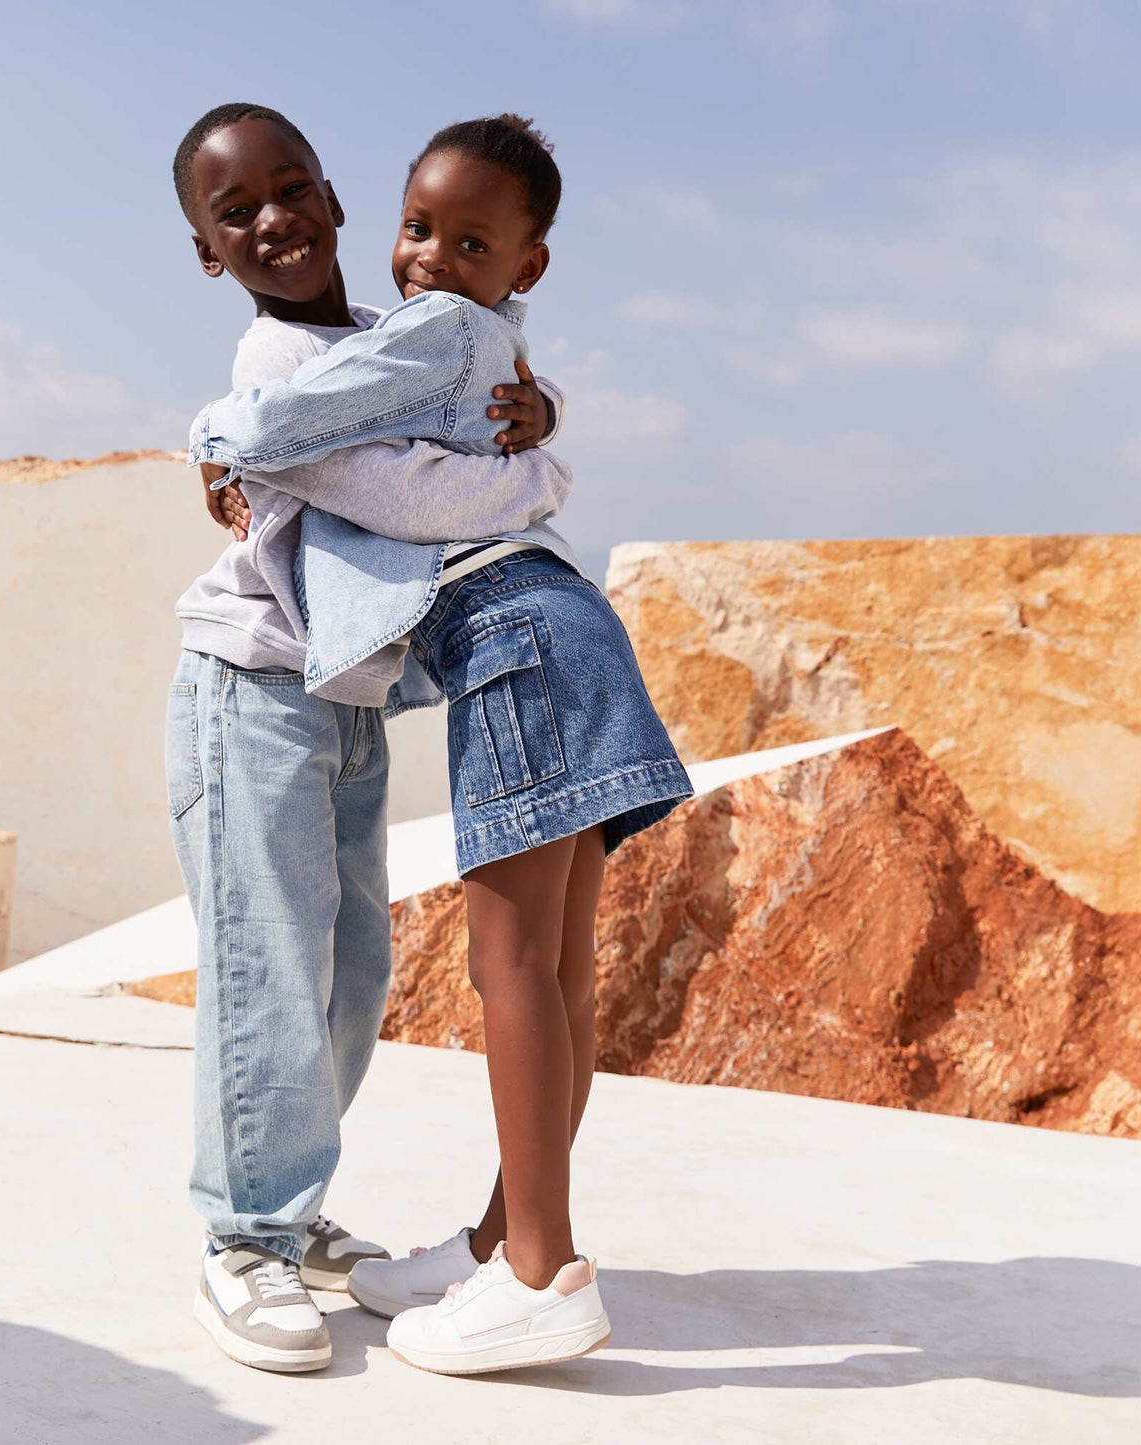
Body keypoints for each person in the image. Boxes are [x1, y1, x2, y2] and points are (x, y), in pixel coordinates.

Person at [188, 114, 694, 1375]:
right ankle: (256, 1234)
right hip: (265, 679)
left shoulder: (404, 332)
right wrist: (538, 473)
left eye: (294, 188)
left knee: (372, 973)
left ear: (338, 202)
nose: (273, 220)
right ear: (205, 250)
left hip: (393, 680)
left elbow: (467, 381)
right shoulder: (279, 357)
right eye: (236, 211)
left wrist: (535, 409)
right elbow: (388, 482)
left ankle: (508, 1255)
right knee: (296, 966)